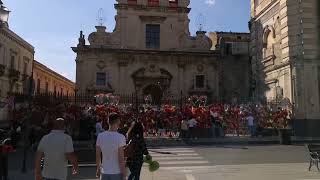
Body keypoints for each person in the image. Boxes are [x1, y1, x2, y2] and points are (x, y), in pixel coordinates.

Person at [96, 113, 126, 180]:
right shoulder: (121, 137)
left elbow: (97, 155)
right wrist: (124, 174)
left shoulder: (100, 136)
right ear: (118, 122)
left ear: (108, 122)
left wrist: (98, 169)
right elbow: (121, 158)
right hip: (116, 172)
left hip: (104, 172)